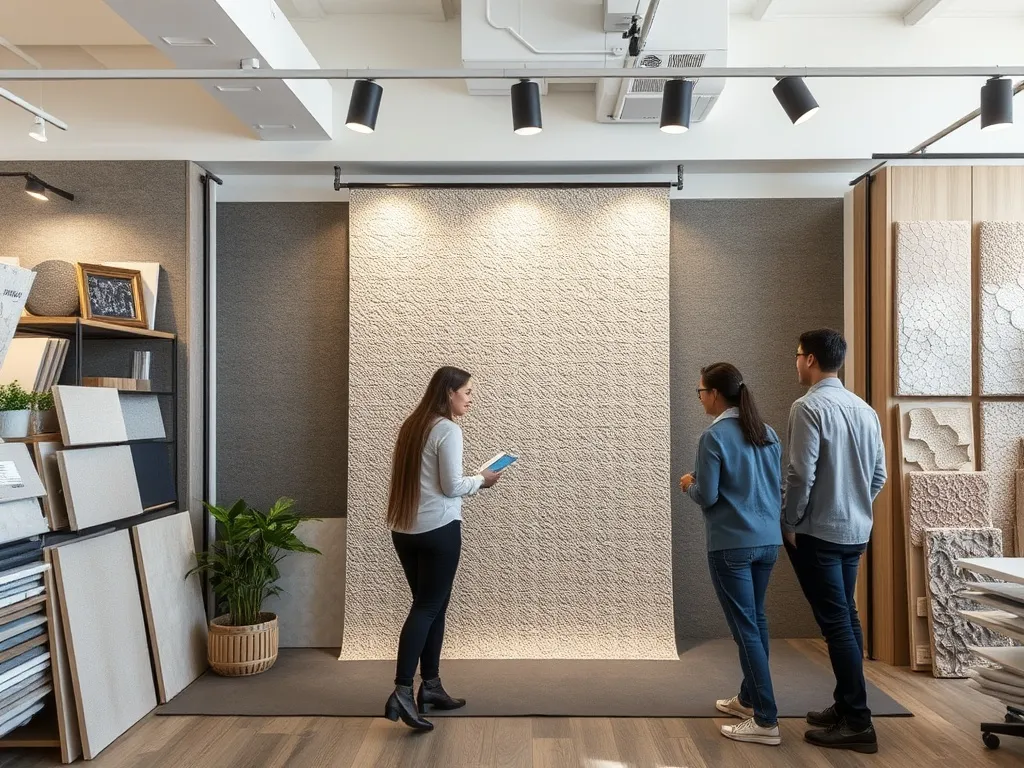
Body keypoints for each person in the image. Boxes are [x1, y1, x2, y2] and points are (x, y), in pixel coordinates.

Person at [783, 329, 886, 754]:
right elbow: (878, 475)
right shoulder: (865, 410)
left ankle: (858, 721)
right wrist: (855, 505)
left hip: (819, 531)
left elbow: (800, 474)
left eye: (797, 354)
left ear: (809, 359)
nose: (796, 361)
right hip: (855, 531)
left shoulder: (807, 407)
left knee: (836, 624)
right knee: (848, 616)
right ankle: (846, 706)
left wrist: (789, 520)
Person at [383, 366, 502, 731]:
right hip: (438, 530)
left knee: (432, 607)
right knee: (427, 607)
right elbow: (451, 486)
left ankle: (431, 686)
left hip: (405, 530)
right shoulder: (448, 429)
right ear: (449, 392)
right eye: (467, 392)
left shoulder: (412, 426)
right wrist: (482, 480)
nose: (471, 398)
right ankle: (403, 690)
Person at [680, 363, 784, 747]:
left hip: (731, 545)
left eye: (700, 392)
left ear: (715, 394)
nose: (700, 398)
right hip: (768, 542)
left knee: (745, 630)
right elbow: (775, 488)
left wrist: (689, 484)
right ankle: (749, 699)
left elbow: (708, 495)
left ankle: (766, 720)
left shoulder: (713, 436)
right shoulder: (768, 433)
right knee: (756, 621)